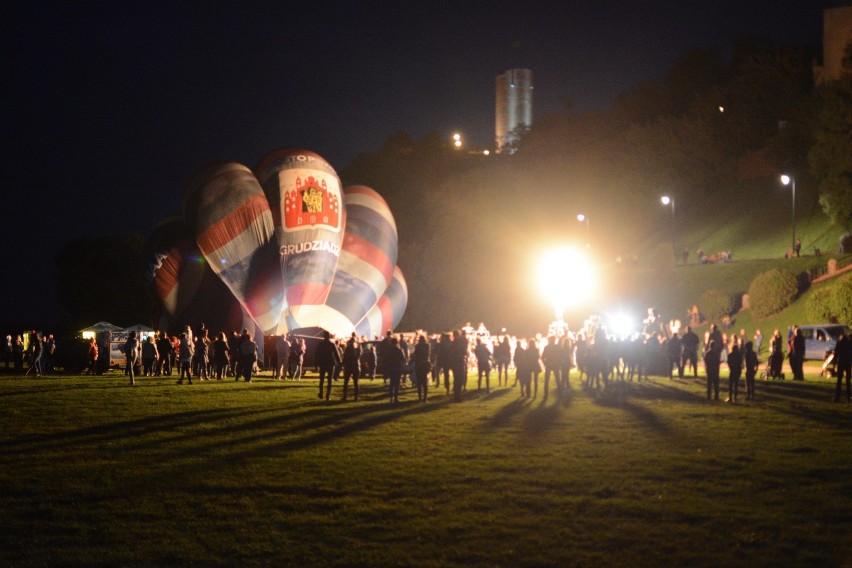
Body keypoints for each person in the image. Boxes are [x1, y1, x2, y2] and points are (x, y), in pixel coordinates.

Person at [315, 331, 341, 399]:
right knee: (329, 381)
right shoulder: (332, 344)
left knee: (322, 380)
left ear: (323, 336)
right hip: (330, 364)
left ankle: (321, 393)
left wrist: (316, 364)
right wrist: (340, 363)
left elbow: (317, 355)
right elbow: (336, 354)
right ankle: (327, 396)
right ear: (329, 336)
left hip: (322, 364)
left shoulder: (320, 344)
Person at [385, 336, 406, 404]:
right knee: (397, 384)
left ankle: (391, 398)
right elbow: (403, 358)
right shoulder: (399, 349)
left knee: (392, 383)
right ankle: (396, 398)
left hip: (391, 368)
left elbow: (387, 359)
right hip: (397, 367)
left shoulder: (389, 350)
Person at [832, 332, 851, 403]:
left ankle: (837, 397)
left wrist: (834, 364)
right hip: (848, 363)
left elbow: (836, 354)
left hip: (841, 362)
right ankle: (849, 397)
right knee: (848, 380)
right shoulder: (849, 344)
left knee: (839, 380)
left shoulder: (839, 343)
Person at [342, 334, 361, 402]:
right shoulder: (358, 346)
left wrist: (343, 363)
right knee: (356, 382)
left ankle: (345, 396)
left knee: (346, 381)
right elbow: (359, 355)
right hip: (355, 365)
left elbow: (345, 356)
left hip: (349, 365)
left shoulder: (348, 348)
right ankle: (356, 397)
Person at [413, 334, 431, 402]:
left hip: (418, 365)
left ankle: (420, 398)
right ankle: (425, 398)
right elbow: (428, 354)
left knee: (419, 382)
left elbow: (415, 355)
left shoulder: (417, 346)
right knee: (424, 382)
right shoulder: (427, 345)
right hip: (425, 364)